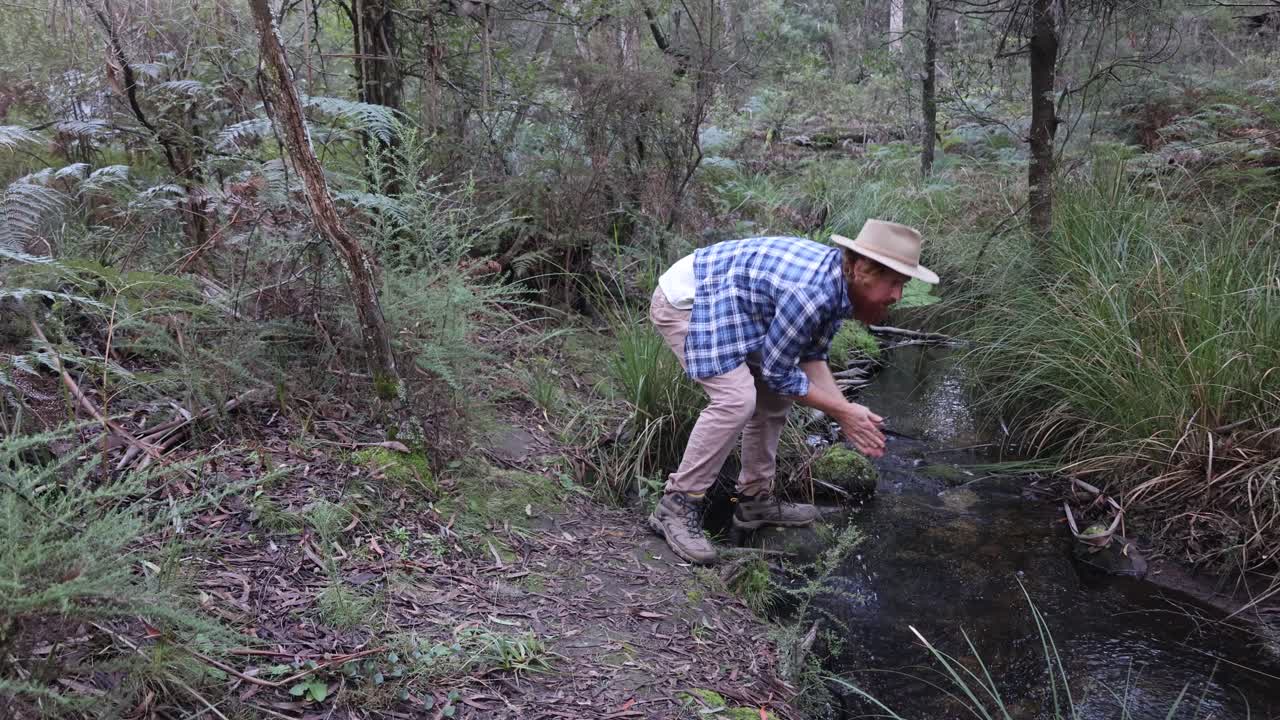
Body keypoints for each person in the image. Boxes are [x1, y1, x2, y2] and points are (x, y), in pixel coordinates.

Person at [647, 219, 939, 564]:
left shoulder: (839, 285)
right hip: (691, 300)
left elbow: (811, 356)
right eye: (894, 283)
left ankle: (754, 501)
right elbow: (779, 372)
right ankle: (677, 504)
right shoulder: (811, 293)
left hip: (736, 304)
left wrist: (845, 413)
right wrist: (843, 412)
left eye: (902, 285)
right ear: (861, 268)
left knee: (772, 402)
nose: (897, 296)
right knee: (736, 399)